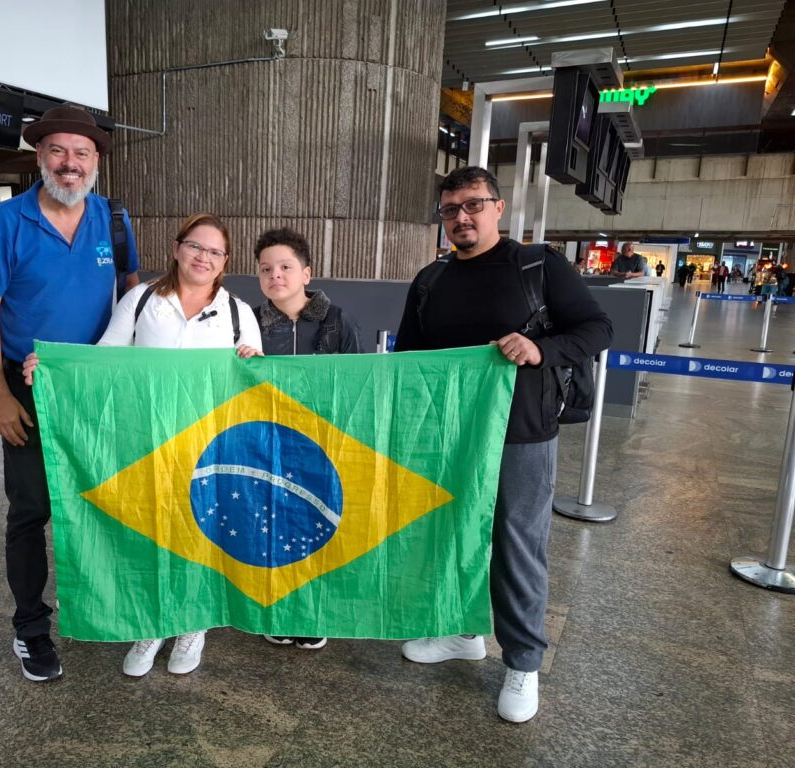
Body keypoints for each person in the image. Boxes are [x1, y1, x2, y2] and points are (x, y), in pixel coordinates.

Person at [393, 166, 612, 724]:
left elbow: (597, 328)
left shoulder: (537, 266)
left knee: (517, 545)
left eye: (473, 205)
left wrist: (541, 350)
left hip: (522, 432)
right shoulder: (430, 279)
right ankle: (463, 632)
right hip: (449, 434)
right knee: (455, 535)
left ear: (497, 207)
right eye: (450, 209)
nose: (461, 217)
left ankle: (523, 661)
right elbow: (408, 359)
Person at [26, 212, 262, 677]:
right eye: (195, 246)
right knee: (151, 531)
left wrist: (253, 359)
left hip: (209, 447)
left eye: (214, 252)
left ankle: (193, 623)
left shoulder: (238, 314)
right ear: (177, 249)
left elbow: (255, 383)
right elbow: (104, 359)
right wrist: (52, 367)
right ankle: (151, 623)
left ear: (225, 262)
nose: (203, 257)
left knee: (198, 535)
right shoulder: (142, 301)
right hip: (146, 442)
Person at [0, 105, 140, 683]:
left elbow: (133, 299)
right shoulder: (6, 221)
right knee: (32, 509)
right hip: (28, 386)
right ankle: (31, 628)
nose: (70, 163)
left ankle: (95, 604)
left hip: (96, 388)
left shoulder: (113, 220)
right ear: (40, 156)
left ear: (96, 162)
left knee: (99, 500)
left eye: (81, 153)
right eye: (59, 151)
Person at [235, 226, 362, 650]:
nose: (276, 276)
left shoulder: (337, 320)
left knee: (317, 524)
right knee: (271, 524)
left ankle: (314, 612)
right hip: (268, 444)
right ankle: (280, 609)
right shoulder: (250, 323)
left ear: (306, 273)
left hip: (322, 445)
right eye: (266, 269)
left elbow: (356, 384)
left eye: (286, 267)